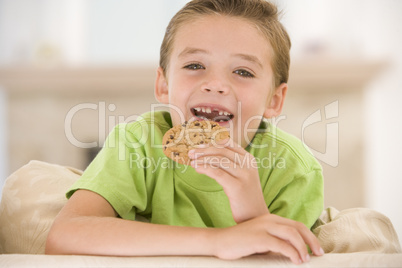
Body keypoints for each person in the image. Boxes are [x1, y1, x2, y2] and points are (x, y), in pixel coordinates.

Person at [46, 0, 324, 264]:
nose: (215, 84)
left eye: (243, 71)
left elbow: (286, 260)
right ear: (163, 85)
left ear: (274, 100)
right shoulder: (137, 143)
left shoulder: (294, 170)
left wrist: (253, 214)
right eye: (195, 66)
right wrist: (218, 241)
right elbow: (63, 237)